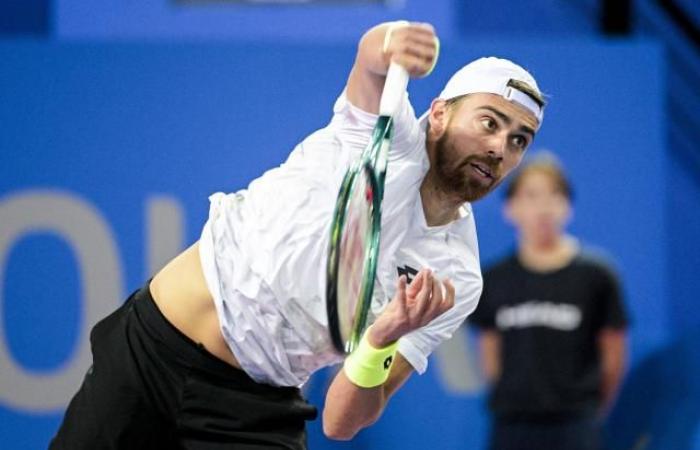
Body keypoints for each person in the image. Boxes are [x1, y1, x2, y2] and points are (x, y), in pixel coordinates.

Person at [50, 21, 546, 449]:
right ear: (438, 113)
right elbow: (371, 60)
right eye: (488, 122)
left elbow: (341, 420)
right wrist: (393, 38)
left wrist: (380, 339)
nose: (499, 147)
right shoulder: (386, 138)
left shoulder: (456, 276)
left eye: (517, 139)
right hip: (148, 351)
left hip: (251, 410)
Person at [469, 154, 629, 450]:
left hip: (576, 426)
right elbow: (490, 353)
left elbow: (614, 356)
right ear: (510, 208)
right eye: (531, 196)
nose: (543, 208)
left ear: (568, 206)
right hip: (512, 425)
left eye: (554, 195)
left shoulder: (597, 275)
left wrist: (590, 412)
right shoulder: (493, 279)